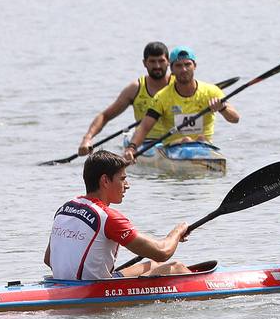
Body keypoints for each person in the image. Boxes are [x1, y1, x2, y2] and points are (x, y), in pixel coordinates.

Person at [46, 151, 193, 280]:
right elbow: (162, 252)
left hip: (64, 284)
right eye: (122, 179)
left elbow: (48, 259)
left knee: (154, 264)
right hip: (92, 290)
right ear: (105, 180)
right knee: (177, 267)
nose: (127, 185)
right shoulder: (108, 217)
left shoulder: (65, 208)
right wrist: (178, 232)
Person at [124, 47, 239, 160]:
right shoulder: (162, 97)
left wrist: (223, 109)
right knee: (186, 140)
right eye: (178, 65)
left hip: (205, 146)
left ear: (195, 66)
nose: (184, 69)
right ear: (172, 69)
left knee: (200, 139)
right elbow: (144, 127)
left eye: (187, 64)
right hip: (174, 149)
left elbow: (235, 119)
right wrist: (132, 148)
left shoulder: (212, 91)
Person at [78, 42, 173, 157]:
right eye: (152, 61)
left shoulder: (179, 85)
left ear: (168, 62)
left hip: (175, 141)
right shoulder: (135, 89)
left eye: (161, 61)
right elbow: (105, 116)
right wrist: (87, 139)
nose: (157, 66)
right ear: (144, 63)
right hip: (144, 143)